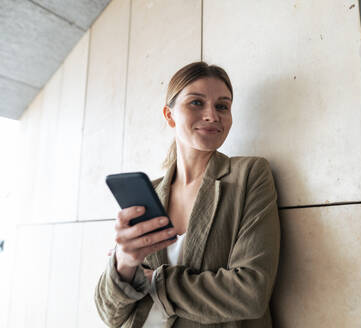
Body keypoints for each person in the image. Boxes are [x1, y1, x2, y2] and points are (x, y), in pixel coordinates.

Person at [94, 62, 281, 328]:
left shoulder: (248, 175)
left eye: (222, 106)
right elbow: (109, 314)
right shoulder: (150, 193)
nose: (212, 115)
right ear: (169, 116)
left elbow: (250, 293)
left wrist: (151, 280)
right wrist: (124, 263)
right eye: (196, 103)